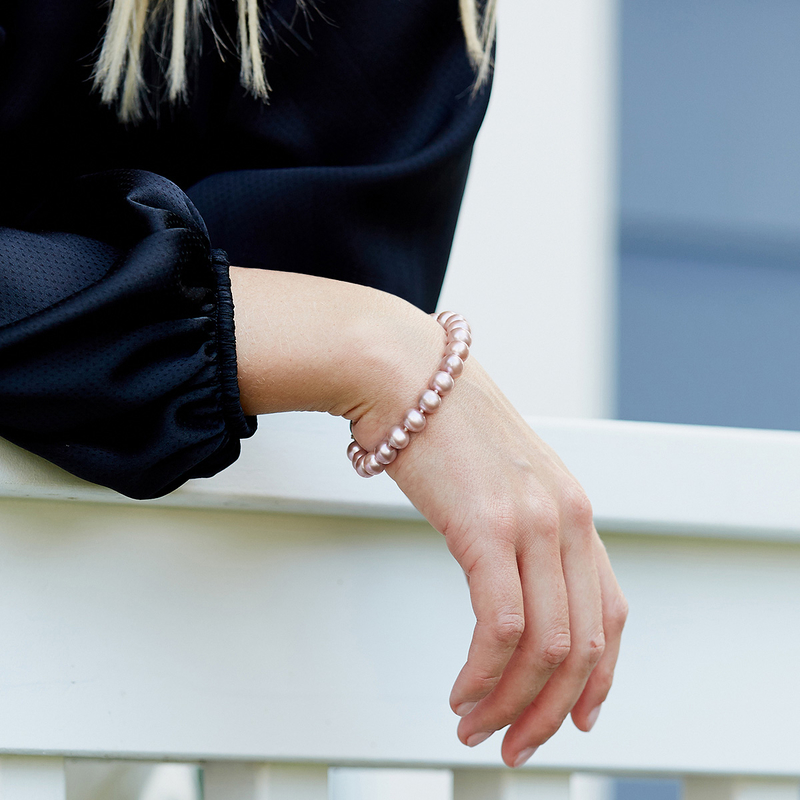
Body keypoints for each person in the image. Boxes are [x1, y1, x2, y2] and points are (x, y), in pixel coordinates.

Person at [0, 0, 628, 770]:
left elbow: (305, 278)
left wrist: (360, 343)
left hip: (93, 688)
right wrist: (369, 345)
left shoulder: (408, 29)